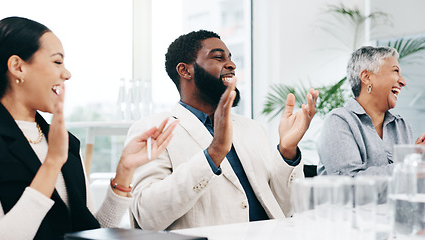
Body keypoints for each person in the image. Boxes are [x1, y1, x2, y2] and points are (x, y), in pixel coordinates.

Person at [0, 16, 178, 240]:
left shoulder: (65, 142)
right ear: (18, 67)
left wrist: (125, 171)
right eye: (57, 62)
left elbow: (90, 233)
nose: (67, 74)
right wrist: (51, 164)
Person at [126, 30, 319, 231]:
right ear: (185, 70)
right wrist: (213, 153)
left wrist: (287, 151)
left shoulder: (252, 128)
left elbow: (282, 208)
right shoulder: (153, 130)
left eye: (230, 58)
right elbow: (147, 216)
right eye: (218, 57)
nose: (232, 65)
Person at [317, 46, 425, 177]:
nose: (403, 82)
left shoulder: (401, 126)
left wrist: (418, 157)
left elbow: (406, 186)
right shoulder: (339, 120)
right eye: (395, 71)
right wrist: (410, 164)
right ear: (366, 77)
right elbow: (350, 184)